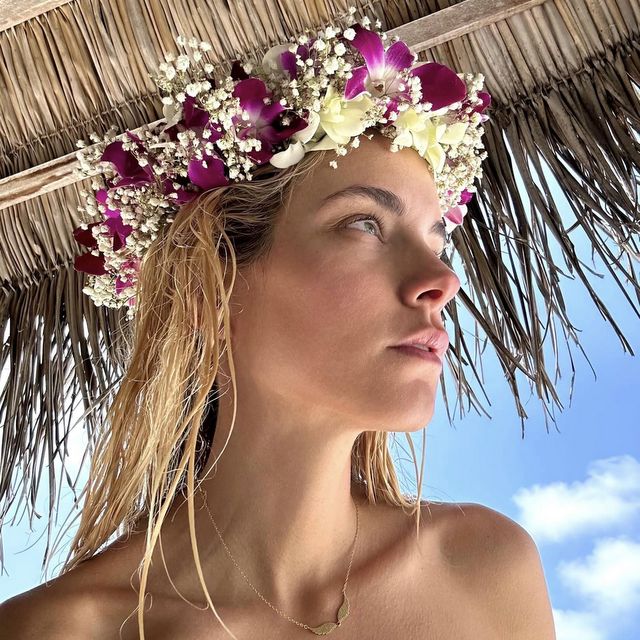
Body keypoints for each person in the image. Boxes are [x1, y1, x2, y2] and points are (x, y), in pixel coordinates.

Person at [0, 130, 555, 640]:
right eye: (364, 224)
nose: (442, 280)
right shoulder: (51, 631)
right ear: (209, 291)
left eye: (436, 245)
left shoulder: (487, 568)